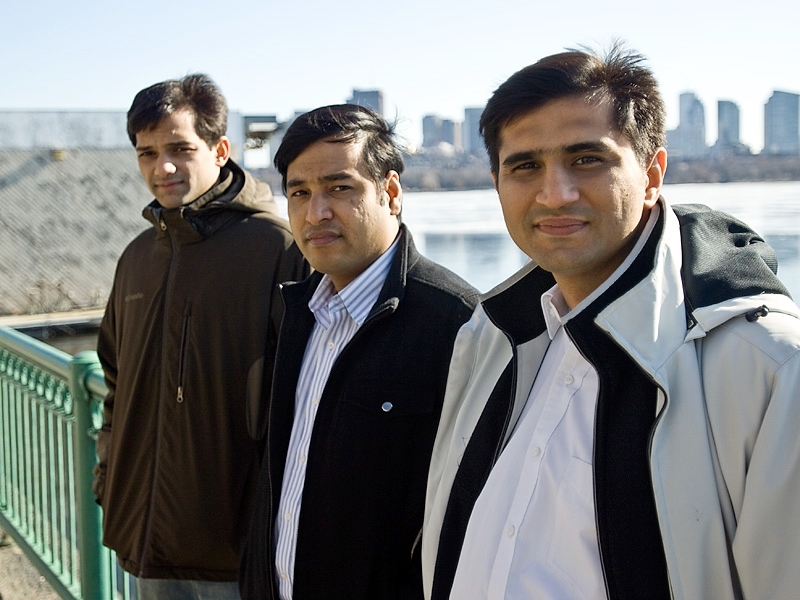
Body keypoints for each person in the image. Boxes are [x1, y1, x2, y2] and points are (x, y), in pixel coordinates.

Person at [422, 44, 800, 600]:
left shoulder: (766, 367)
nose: (555, 194)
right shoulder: (488, 338)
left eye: (587, 159)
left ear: (652, 173)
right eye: (525, 166)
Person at [238, 104, 479, 599]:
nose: (315, 212)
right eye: (299, 193)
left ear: (390, 193)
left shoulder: (458, 323)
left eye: (339, 188)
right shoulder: (298, 311)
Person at [92, 73, 308, 600]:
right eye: (146, 153)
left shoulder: (277, 248)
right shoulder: (139, 256)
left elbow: (304, 394)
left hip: (233, 546)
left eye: (180, 149)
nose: (162, 167)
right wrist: (107, 480)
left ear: (220, 148)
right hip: (146, 535)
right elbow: (115, 381)